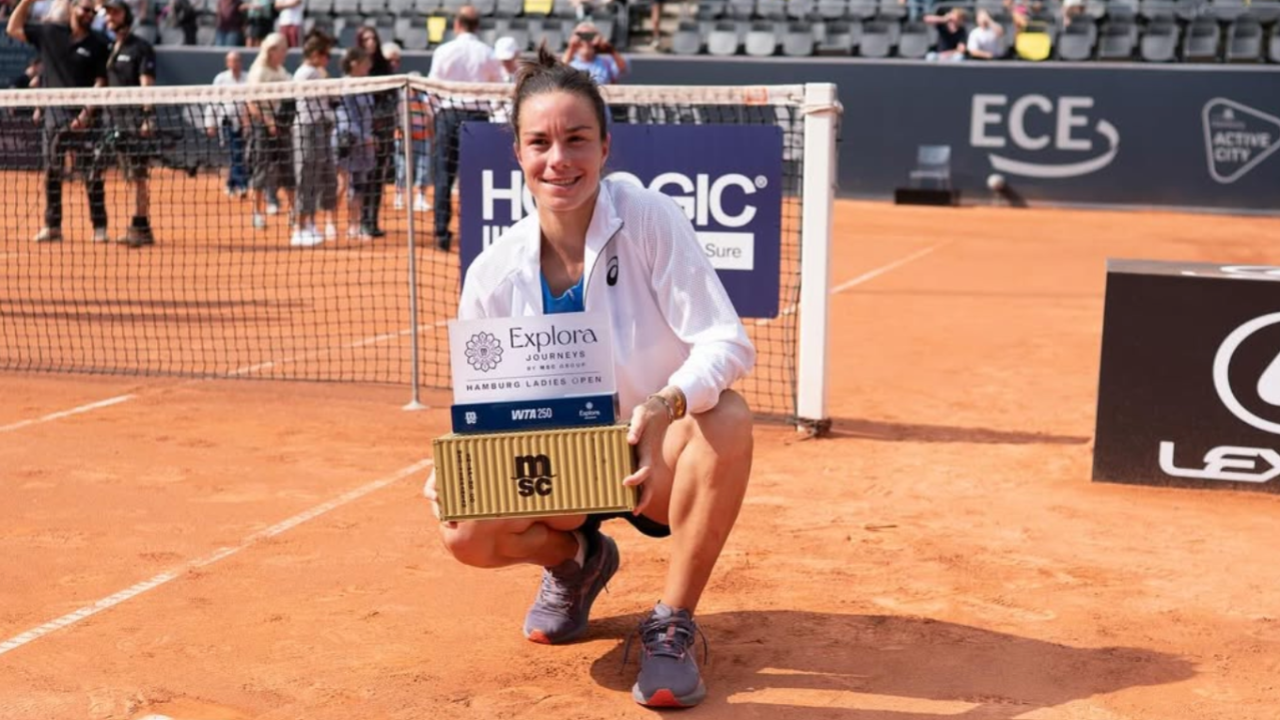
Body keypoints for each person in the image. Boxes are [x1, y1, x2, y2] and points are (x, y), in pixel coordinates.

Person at [424, 48, 755, 709]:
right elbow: (484, 406)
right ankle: (576, 564)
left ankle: (671, 623)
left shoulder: (650, 217)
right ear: (517, 152)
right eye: (540, 142)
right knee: (463, 528)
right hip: (557, 470)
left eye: (577, 140)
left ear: (606, 146)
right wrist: (462, 467)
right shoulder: (491, 271)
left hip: (650, 459)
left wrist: (666, 402)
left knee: (729, 417)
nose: (559, 161)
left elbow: (726, 341)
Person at [7, 0, 111, 243]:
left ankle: (100, 227)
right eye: (84, 9)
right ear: (72, 8)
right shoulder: (50, 32)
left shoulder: (97, 43)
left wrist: (87, 113)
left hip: (87, 119)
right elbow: (13, 28)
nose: (88, 14)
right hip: (55, 117)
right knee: (52, 173)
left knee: (92, 174)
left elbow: (101, 81)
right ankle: (52, 226)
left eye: (92, 11)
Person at [425, 5, 502, 251]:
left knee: (443, 176)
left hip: (448, 116)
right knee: (477, 178)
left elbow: (431, 90)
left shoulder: (444, 50)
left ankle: (441, 233)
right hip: (477, 119)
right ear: (477, 26)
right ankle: (475, 231)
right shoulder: (487, 52)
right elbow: (499, 87)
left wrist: (434, 116)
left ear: (457, 24)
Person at [102, 0, 158, 248]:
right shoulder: (109, 47)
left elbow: (147, 84)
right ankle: (138, 224)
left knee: (138, 178)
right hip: (115, 121)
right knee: (129, 177)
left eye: (115, 12)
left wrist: (148, 116)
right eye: (108, 13)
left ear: (126, 16)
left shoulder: (140, 48)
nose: (110, 16)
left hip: (135, 123)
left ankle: (141, 226)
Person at [244, 32, 296, 232]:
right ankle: (257, 213)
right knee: (261, 170)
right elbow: (251, 102)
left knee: (287, 170)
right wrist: (267, 122)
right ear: (272, 51)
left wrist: (280, 122)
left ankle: (293, 212)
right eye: (283, 49)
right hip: (262, 128)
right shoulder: (258, 72)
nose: (286, 53)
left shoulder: (281, 71)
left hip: (281, 125)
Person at [290, 30, 337, 246]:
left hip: (318, 128)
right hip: (307, 128)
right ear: (317, 54)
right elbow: (320, 102)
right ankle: (299, 227)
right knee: (306, 176)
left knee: (317, 176)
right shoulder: (307, 73)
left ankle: (309, 223)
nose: (328, 58)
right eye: (326, 54)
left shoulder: (315, 72)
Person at [355, 25, 395, 238]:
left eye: (374, 38)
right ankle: (360, 220)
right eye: (366, 39)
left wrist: (384, 120)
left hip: (383, 128)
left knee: (378, 175)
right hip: (361, 130)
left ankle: (372, 220)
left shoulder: (384, 66)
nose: (371, 42)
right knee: (363, 175)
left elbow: (391, 96)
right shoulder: (357, 69)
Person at [335, 45, 375, 241]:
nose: (369, 66)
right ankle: (330, 222)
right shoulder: (346, 86)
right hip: (347, 141)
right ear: (354, 64)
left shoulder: (366, 85)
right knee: (343, 183)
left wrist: (368, 138)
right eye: (365, 62)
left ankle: (354, 225)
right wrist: (364, 137)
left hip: (364, 144)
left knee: (359, 186)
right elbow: (347, 117)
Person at [204, 50, 249, 197]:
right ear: (227, 63)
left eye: (237, 60)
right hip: (227, 122)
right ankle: (242, 184)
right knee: (235, 152)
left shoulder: (248, 78)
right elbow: (213, 102)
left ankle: (231, 183)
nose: (235, 63)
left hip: (245, 123)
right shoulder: (221, 79)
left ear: (241, 62)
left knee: (240, 154)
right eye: (232, 60)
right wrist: (210, 123)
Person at [564, 20, 626, 85]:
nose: (586, 41)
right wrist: (571, 48)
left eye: (590, 36)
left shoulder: (607, 63)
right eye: (581, 36)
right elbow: (559, 73)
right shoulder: (569, 62)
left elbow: (623, 69)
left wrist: (610, 49)